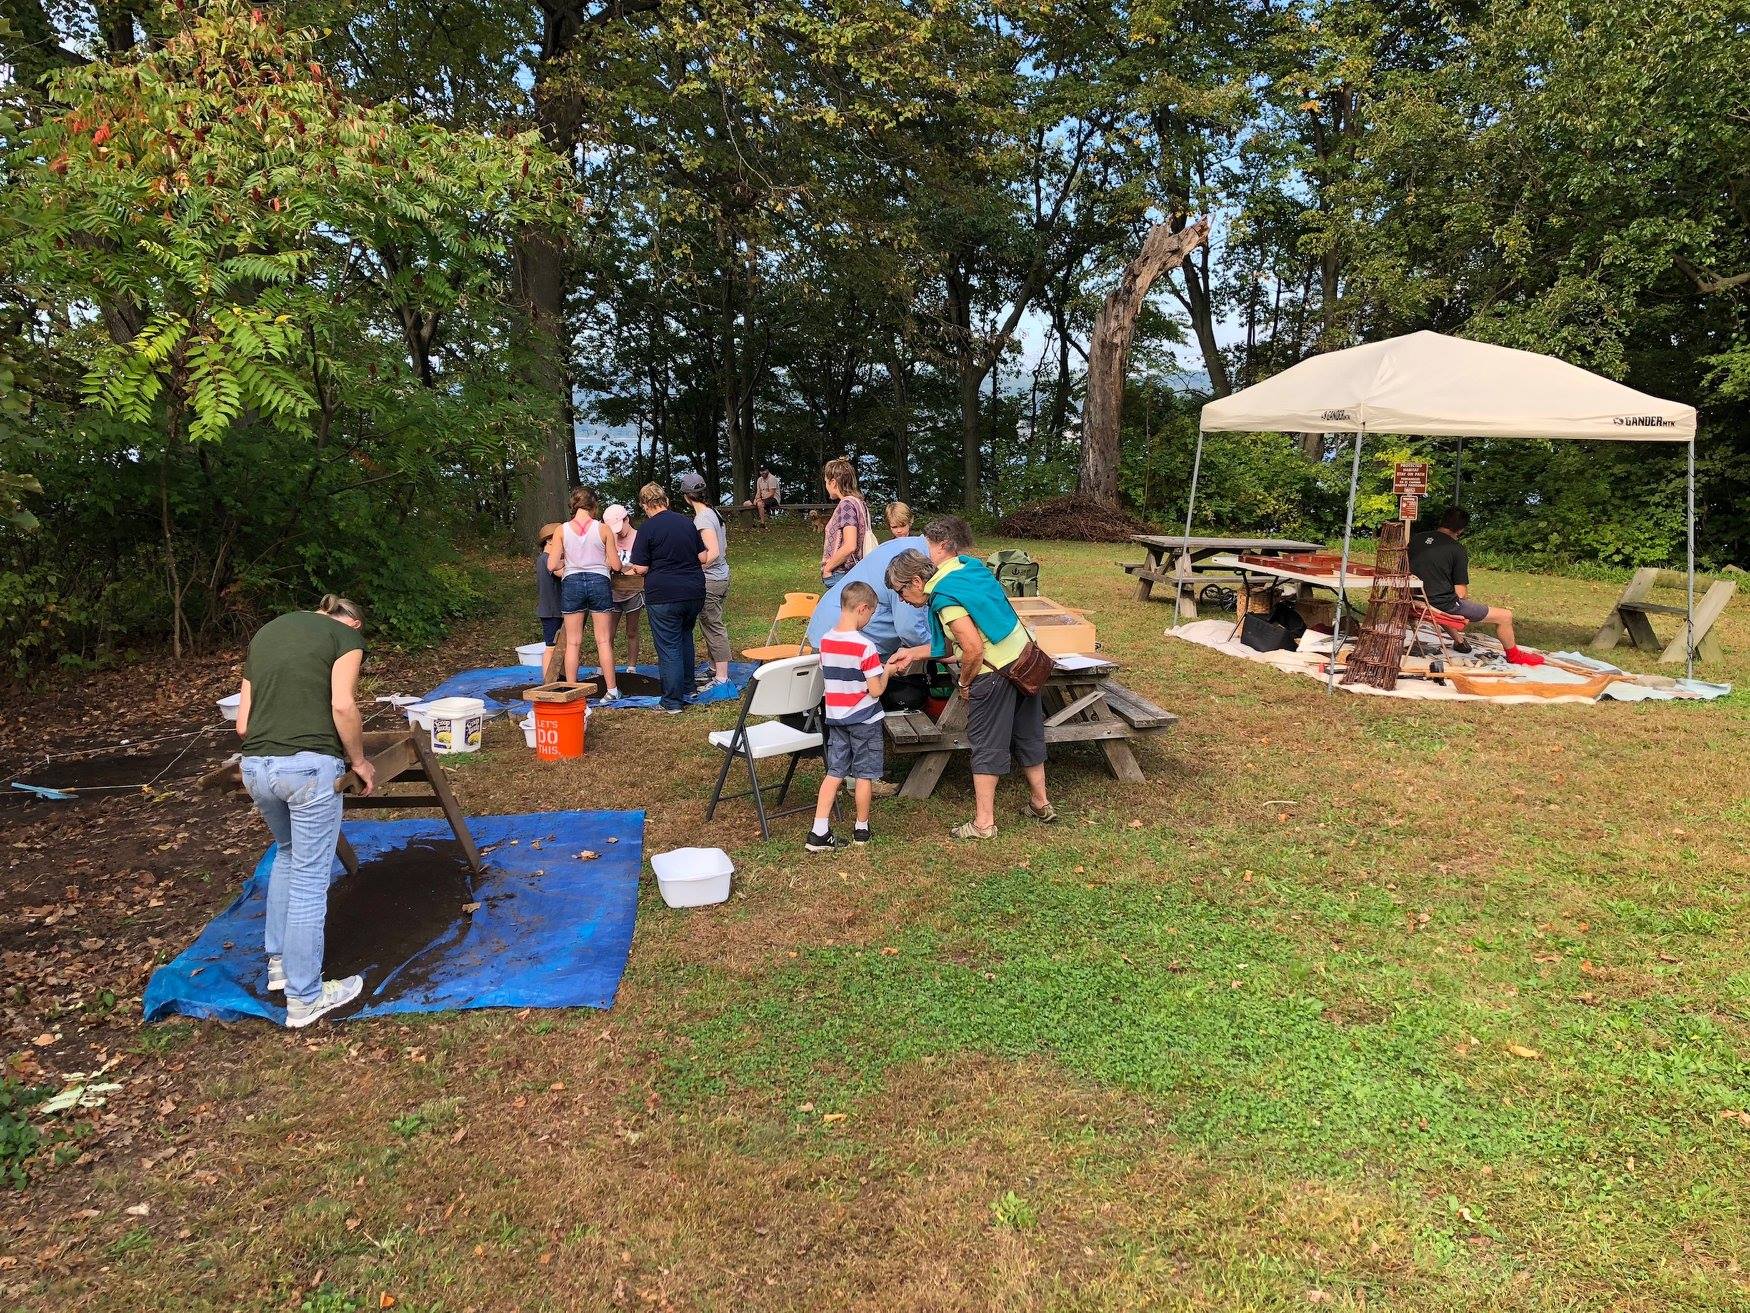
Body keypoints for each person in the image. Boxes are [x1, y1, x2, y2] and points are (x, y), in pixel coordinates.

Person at [233, 595, 376, 1028]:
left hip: (255, 767)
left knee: (288, 854)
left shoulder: (266, 634)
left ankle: (278, 966)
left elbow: (243, 725)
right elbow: (342, 706)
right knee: (311, 883)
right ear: (350, 622)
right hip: (310, 769)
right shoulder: (343, 637)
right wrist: (359, 761)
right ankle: (305, 998)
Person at [886, 516, 1056, 839]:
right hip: (1023, 660)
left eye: (900, 592)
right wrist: (915, 653)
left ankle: (983, 824)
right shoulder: (966, 569)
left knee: (986, 743)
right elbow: (960, 642)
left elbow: (973, 649)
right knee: (1028, 733)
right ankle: (1040, 802)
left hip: (995, 674)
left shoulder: (944, 599)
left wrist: (965, 684)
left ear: (915, 583)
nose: (902, 599)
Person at [806, 581, 890, 852]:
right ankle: (861, 829)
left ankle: (819, 831)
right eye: (871, 614)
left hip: (836, 719)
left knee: (835, 772)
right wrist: (887, 670)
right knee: (864, 775)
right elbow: (875, 690)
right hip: (865, 719)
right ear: (862, 608)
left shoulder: (825, 642)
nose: (869, 620)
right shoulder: (866, 647)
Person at [1409, 506, 1543, 666]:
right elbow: (1460, 593)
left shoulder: (1416, 538)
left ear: (1442, 521)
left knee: (1442, 600)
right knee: (1505, 616)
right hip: (1440, 603)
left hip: (1414, 597)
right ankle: (1514, 656)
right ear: (1460, 530)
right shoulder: (1456, 549)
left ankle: (1459, 641)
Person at [627, 481, 708, 713]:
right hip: (693, 592)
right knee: (685, 638)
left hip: (664, 595)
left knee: (669, 645)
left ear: (644, 505)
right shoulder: (687, 523)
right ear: (666, 501)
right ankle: (688, 687)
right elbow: (702, 556)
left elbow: (641, 568)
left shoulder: (647, 529)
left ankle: (672, 701)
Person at [546, 488, 623, 700]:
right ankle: (612, 690)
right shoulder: (604, 529)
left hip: (572, 583)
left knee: (573, 641)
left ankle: (572, 690)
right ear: (594, 506)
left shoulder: (561, 530)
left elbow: (551, 564)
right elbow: (616, 565)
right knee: (604, 640)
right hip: (599, 581)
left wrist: (567, 561)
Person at [680, 472, 732, 690]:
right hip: (721, 576)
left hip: (711, 579)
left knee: (713, 626)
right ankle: (713, 667)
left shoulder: (702, 518)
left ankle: (721, 677)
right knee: (710, 623)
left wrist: (692, 566)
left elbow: (714, 552)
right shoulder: (713, 512)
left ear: (687, 496)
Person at [603, 502, 643, 671]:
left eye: (620, 527)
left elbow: (642, 565)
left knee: (631, 631)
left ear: (627, 519)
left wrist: (628, 571)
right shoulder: (609, 537)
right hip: (613, 592)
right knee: (608, 634)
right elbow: (606, 561)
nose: (618, 532)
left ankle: (631, 667)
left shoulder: (639, 537)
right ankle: (607, 667)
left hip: (633, 592)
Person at [819, 456, 871, 586]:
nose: (826, 486)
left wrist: (828, 568)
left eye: (826, 481)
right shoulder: (859, 503)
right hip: (857, 572)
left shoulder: (846, 504)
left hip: (843, 574)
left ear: (833, 483)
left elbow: (850, 545)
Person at [534, 522, 564, 684]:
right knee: (551, 647)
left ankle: (558, 677)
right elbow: (561, 572)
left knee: (558, 646)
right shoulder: (546, 559)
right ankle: (548, 681)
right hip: (550, 611)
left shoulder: (544, 559)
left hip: (554, 609)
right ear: (550, 541)